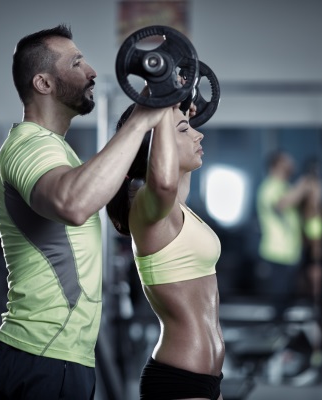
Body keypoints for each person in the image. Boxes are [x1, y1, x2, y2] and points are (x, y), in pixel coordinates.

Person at [0, 24, 169, 400]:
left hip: (57, 354)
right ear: (44, 84)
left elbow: (106, 192)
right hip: (43, 351)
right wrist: (139, 118)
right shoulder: (29, 147)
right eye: (77, 62)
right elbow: (73, 204)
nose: (92, 72)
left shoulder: (58, 151)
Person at [106, 102, 225, 400]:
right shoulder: (148, 204)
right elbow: (162, 181)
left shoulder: (175, 206)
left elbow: (172, 176)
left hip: (208, 378)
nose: (199, 135)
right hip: (180, 380)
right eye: (185, 131)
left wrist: (179, 109)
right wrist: (158, 105)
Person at [255, 151, 322, 314]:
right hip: (277, 255)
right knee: (279, 303)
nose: (291, 164)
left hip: (291, 254)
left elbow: (309, 217)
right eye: (287, 161)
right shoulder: (269, 187)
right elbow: (281, 204)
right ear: (276, 165)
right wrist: (303, 185)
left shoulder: (286, 187)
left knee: (288, 302)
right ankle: (274, 333)